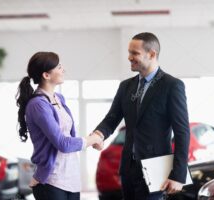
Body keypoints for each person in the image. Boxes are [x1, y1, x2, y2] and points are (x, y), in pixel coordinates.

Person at [91, 32, 190, 200]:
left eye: (134, 53)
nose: (129, 57)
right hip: (129, 169)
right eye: (129, 52)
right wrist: (98, 135)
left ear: (152, 54)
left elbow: (182, 132)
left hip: (157, 169)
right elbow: (112, 118)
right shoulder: (126, 86)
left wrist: (178, 175)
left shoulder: (172, 85)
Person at [16, 52, 103, 200]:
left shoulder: (59, 99)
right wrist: (93, 139)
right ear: (46, 75)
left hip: (71, 179)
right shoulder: (38, 105)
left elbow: (69, 138)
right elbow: (62, 143)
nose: (63, 70)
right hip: (52, 181)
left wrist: (92, 140)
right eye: (59, 67)